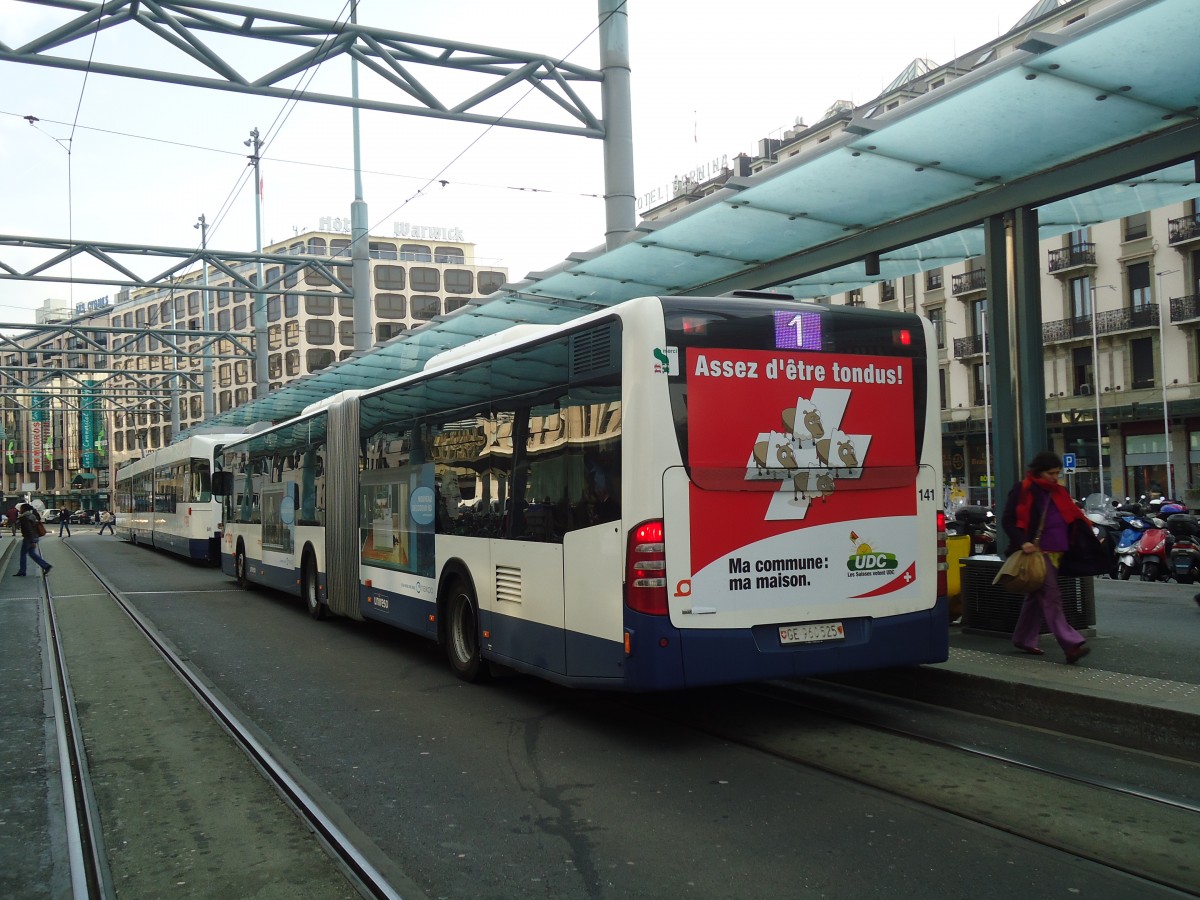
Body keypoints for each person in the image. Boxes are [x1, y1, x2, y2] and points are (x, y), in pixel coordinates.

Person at [1000, 451, 1093, 664]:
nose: (1055, 477)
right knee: (1051, 598)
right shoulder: (1024, 489)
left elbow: (1072, 517)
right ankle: (1071, 645)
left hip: (1056, 553)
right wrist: (1023, 541)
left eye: (1057, 473)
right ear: (1039, 472)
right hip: (1038, 553)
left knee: (1036, 597)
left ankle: (1023, 638)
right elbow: (1007, 519)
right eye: (1051, 473)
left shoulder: (1058, 492)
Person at [15, 503, 52, 577]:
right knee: (32, 553)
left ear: (24, 509)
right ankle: (46, 566)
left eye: (21, 509)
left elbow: (29, 530)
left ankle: (22, 571)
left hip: (29, 538)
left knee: (23, 554)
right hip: (34, 537)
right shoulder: (32, 516)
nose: (20, 510)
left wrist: (32, 541)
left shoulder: (25, 517)